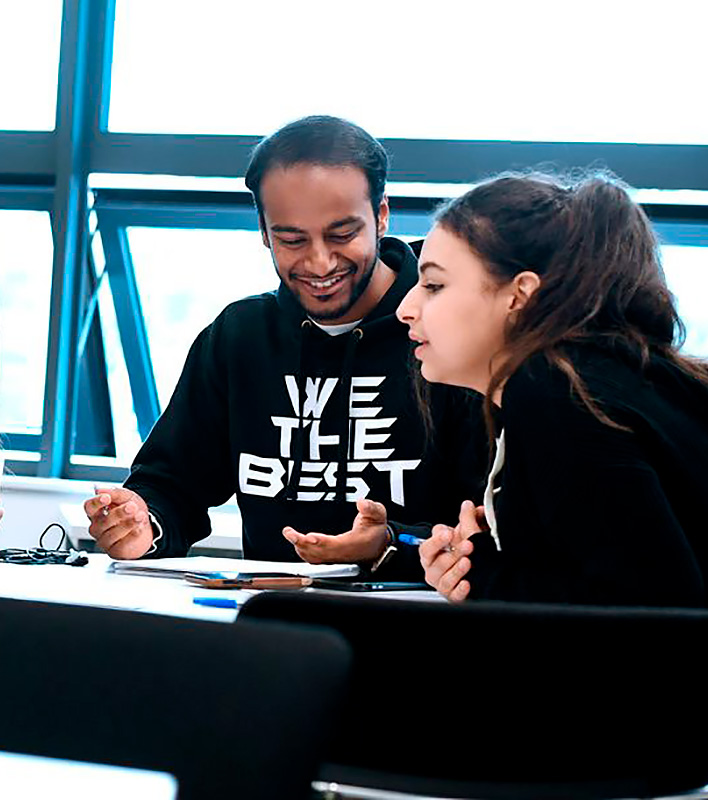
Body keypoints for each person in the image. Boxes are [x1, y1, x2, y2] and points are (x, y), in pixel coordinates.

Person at [403, 171, 708, 682]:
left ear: (519, 294)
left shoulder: (558, 394)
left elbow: (650, 619)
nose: (406, 309)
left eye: (434, 285)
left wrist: (485, 574)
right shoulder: (590, 380)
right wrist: (491, 559)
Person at [83, 115, 480, 576]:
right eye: (291, 239)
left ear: (381, 215)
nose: (319, 262)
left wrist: (390, 543)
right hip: (273, 612)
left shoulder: (448, 331)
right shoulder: (238, 337)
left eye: (342, 234)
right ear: (264, 230)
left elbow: (489, 525)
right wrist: (140, 526)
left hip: (419, 610)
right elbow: (170, 486)